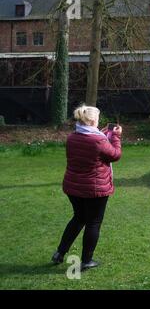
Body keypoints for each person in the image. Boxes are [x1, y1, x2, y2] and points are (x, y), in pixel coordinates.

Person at [52, 105, 122, 271]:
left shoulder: (73, 137)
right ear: (92, 120)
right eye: (97, 118)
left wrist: (104, 133)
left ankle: (60, 253)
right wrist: (116, 137)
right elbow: (115, 155)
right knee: (93, 223)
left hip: (73, 187)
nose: (99, 120)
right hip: (94, 189)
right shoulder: (98, 140)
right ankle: (86, 260)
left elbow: (93, 145)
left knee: (78, 218)